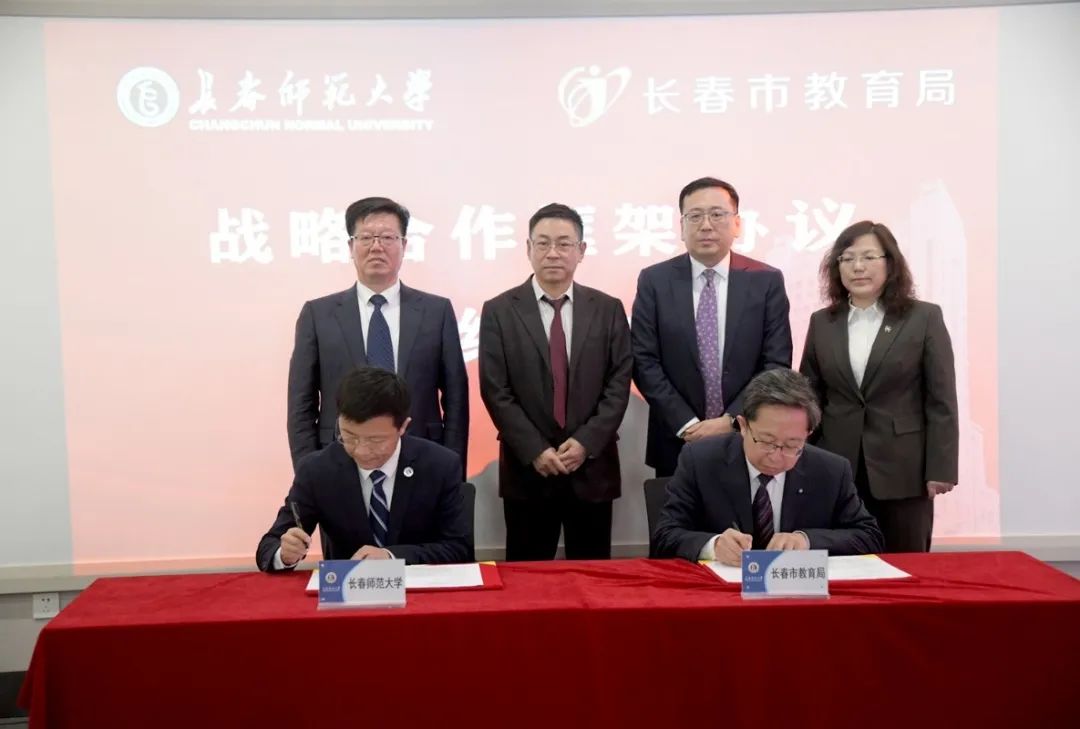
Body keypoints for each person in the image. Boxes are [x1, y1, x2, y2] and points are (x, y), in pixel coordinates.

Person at [479, 203, 631, 561]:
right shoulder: (499, 310)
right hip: (527, 470)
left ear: (581, 250)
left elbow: (618, 382)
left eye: (564, 244)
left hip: (592, 468)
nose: (553, 253)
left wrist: (586, 442)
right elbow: (495, 389)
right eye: (543, 243)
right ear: (528, 248)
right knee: (527, 579)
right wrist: (534, 449)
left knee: (593, 578)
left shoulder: (607, 308)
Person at [799, 220, 958, 552]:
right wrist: (800, 461)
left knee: (904, 562)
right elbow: (809, 398)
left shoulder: (923, 317)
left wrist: (941, 468)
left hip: (904, 468)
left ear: (890, 263)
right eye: (847, 258)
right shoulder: (822, 322)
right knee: (840, 561)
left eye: (869, 257)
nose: (857, 267)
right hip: (837, 463)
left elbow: (940, 399)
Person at [286, 196, 469, 473]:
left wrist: (453, 469)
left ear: (404, 245)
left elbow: (456, 399)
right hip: (340, 459)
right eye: (366, 237)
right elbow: (301, 403)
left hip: (422, 459)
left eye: (387, 237)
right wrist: (308, 472)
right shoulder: (318, 314)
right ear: (351, 246)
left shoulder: (436, 311)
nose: (376, 246)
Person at [632, 176, 792, 477]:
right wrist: (686, 424)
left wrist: (732, 419)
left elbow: (776, 363)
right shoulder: (654, 280)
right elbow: (643, 360)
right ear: (681, 226)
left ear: (737, 223)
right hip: (676, 439)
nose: (706, 225)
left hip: (748, 437)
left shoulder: (766, 280)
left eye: (717, 214)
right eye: (695, 216)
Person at [653, 368, 883, 563]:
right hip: (723, 591)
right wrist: (714, 545)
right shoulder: (700, 460)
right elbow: (664, 536)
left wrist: (806, 541)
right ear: (743, 426)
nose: (776, 456)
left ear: (807, 434)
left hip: (797, 593)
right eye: (766, 441)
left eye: (791, 445)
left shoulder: (830, 470)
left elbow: (869, 537)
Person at [257, 367, 469, 570]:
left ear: (403, 426)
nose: (361, 451)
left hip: (420, 588)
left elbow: (459, 549)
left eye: (376, 440)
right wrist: (284, 554)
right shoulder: (317, 470)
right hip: (347, 589)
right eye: (349, 436)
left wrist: (391, 557)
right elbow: (269, 546)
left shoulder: (440, 466)